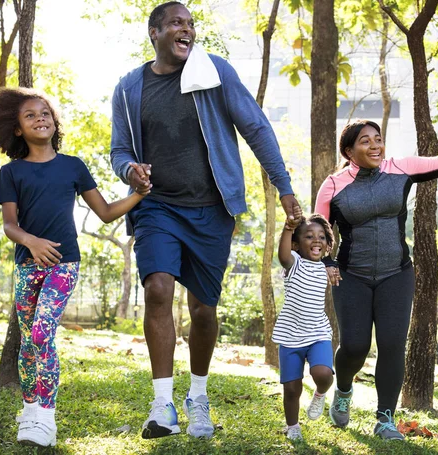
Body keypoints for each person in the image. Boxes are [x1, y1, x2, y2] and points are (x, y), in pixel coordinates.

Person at [109, 1, 301, 440]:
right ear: (154, 31)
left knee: (203, 310)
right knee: (157, 289)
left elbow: (255, 127)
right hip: (157, 206)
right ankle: (162, 406)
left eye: (191, 24)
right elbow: (120, 150)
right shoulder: (128, 88)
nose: (187, 30)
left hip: (213, 209)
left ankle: (198, 395)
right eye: (177, 23)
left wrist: (284, 187)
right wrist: (129, 171)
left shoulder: (214, 72)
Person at [314, 119, 438, 440]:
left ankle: (385, 419)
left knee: (391, 345)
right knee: (354, 347)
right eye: (366, 142)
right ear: (349, 151)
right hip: (351, 277)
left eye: (378, 139)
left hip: (396, 274)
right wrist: (328, 262)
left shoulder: (399, 169)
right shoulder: (333, 186)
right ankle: (344, 390)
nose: (375, 146)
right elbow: (319, 229)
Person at [0, 87, 149, 448]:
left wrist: (138, 193)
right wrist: (31, 241)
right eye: (30, 115)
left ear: (54, 121)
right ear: (16, 129)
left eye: (45, 113)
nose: (40, 118)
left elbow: (105, 212)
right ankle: (29, 408)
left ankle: (46, 415)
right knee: (29, 344)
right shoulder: (10, 172)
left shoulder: (73, 166)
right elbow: (9, 224)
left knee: (42, 333)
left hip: (64, 263)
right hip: (28, 265)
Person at [272, 213, 339, 441]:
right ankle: (293, 426)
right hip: (290, 336)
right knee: (291, 388)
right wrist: (289, 227)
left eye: (321, 236)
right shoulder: (293, 263)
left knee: (322, 373)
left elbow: (332, 263)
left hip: (318, 333)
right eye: (309, 236)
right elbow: (282, 254)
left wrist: (331, 267)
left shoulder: (325, 268)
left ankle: (320, 394)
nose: (316, 240)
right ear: (296, 245)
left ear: (327, 244)